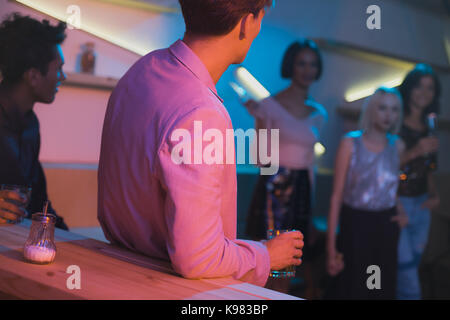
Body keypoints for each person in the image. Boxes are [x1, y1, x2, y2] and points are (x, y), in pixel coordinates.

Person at [97, 0, 304, 287]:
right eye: (261, 17)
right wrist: (266, 255)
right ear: (246, 23)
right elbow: (199, 257)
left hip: (114, 270)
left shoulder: (141, 70)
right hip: (165, 287)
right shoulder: (201, 112)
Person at [243, 39, 327, 295]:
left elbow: (310, 164)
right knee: (267, 264)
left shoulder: (319, 113)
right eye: (301, 63)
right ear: (290, 66)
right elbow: (260, 159)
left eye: (312, 64)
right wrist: (258, 121)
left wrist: (311, 210)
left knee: (288, 266)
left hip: (302, 188)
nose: (307, 70)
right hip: (274, 187)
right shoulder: (268, 105)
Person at [325, 87, 408, 299]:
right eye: (383, 108)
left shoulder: (397, 146)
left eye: (394, 109)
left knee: (378, 287)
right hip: (356, 225)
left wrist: (401, 211)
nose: (389, 115)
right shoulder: (350, 143)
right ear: (371, 109)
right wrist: (331, 247)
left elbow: (391, 187)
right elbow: (336, 197)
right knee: (352, 286)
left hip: (385, 227)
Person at [0, 13, 68, 230]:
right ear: (33, 76)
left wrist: (75, 240)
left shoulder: (31, 125)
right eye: (58, 69)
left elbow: (39, 203)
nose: (62, 77)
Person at [396, 64, 441, 300]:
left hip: (422, 204)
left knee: (411, 266)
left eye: (430, 88)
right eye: (419, 86)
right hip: (398, 204)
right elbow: (381, 167)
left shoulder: (430, 128)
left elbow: (429, 168)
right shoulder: (395, 121)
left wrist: (434, 195)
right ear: (409, 88)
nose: (424, 92)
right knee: (407, 275)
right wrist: (415, 151)